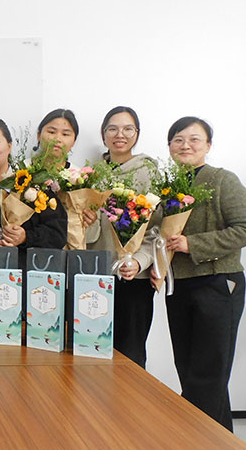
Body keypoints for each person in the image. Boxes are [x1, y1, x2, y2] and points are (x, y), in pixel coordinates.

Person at [139, 117, 246, 430]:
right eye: (178, 139)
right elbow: (158, 235)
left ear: (208, 145)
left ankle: (197, 439)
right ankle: (220, 439)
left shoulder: (223, 180)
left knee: (208, 373)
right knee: (191, 370)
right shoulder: (166, 188)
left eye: (194, 139)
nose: (186, 145)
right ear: (169, 146)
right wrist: (157, 265)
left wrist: (193, 244)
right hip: (179, 287)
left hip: (218, 283)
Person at [82, 106, 157, 368]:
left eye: (128, 129)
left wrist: (139, 261)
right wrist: (87, 221)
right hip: (96, 276)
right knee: (91, 352)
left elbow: (157, 228)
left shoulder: (148, 172)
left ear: (137, 134)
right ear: (103, 134)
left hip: (133, 276)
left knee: (130, 357)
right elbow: (85, 230)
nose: (119, 134)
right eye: (112, 129)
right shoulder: (91, 175)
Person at [0, 117, 67, 259]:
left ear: (9, 146)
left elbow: (57, 234)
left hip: (27, 268)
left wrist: (26, 237)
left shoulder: (33, 185)